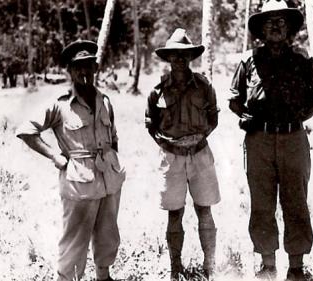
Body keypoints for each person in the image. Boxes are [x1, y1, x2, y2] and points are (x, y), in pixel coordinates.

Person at [228, 1, 313, 280]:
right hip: (259, 141)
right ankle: (268, 266)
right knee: (262, 202)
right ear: (260, 29)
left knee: (296, 202)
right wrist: (251, 118)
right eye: (269, 21)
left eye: (281, 20)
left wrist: (295, 119)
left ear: (289, 27)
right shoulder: (249, 60)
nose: (275, 25)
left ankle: (296, 268)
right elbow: (234, 100)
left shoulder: (303, 60)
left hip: (294, 139)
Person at [16, 39, 125, 281]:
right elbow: (25, 130)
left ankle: (103, 276)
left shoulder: (105, 101)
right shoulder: (60, 104)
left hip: (109, 180)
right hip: (79, 184)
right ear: (70, 71)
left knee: (108, 235)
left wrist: (112, 161)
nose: (84, 72)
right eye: (78, 67)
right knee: (74, 241)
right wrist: (55, 156)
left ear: (95, 68)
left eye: (88, 65)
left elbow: (113, 137)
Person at [145, 28, 221, 280]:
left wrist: (197, 139)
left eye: (184, 55)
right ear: (168, 59)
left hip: (200, 154)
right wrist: (170, 145)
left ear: (190, 58)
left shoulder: (203, 85)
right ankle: (175, 268)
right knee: (174, 212)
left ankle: (210, 265)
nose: (179, 59)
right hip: (171, 157)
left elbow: (213, 117)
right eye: (174, 55)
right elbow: (150, 125)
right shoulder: (157, 91)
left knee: (204, 209)